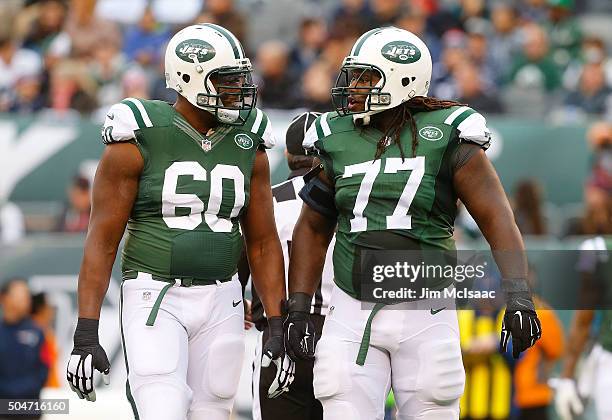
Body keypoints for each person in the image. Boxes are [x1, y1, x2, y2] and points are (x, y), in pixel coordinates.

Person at [284, 27, 542, 419]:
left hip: (427, 310)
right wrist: (299, 308)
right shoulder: (336, 136)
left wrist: (518, 293)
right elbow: (312, 228)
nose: (353, 86)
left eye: (366, 77)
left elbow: (497, 219)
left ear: (402, 79)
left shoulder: (449, 133)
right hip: (352, 308)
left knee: (434, 405)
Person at [65, 24, 287, 420]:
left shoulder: (249, 141)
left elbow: (263, 242)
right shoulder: (138, 135)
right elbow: (101, 240)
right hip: (155, 293)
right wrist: (86, 330)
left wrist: (276, 321)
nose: (239, 89)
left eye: (240, 78)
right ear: (190, 77)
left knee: (214, 411)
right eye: (227, 80)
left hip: (224, 298)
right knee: (161, 407)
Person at [245, 112, 334, 420]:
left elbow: (243, 261)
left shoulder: (264, 200)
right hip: (340, 331)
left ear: (287, 154)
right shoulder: (348, 198)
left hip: (279, 329)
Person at [0, 279, 49, 420]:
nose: (26, 299)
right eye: (20, 294)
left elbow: (44, 369)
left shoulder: (38, 333)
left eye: (27, 295)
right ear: (4, 298)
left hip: (30, 409)